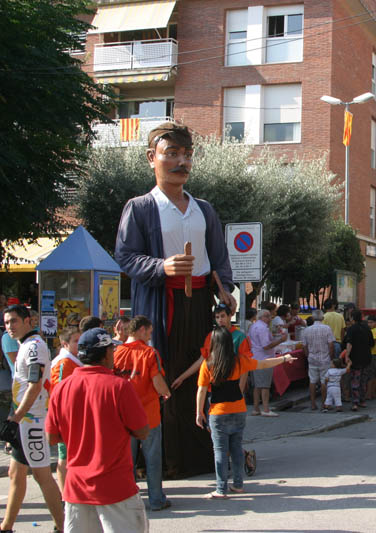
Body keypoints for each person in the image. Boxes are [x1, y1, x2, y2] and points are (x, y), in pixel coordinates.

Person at [115, 122, 235, 478]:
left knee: (201, 376)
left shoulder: (204, 209)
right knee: (159, 379)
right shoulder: (139, 208)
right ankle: (160, 460)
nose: (181, 162)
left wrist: (224, 288)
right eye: (172, 154)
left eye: (187, 155)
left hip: (199, 302)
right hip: (159, 305)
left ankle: (201, 457)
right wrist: (160, 266)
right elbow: (124, 256)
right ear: (152, 158)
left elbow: (218, 259)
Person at [45, 327, 150, 533]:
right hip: (116, 487)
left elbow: (51, 437)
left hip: (77, 488)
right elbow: (142, 431)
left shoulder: (62, 388)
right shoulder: (119, 387)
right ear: (107, 354)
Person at [0, 305, 64, 533]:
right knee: (15, 473)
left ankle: (63, 527)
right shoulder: (26, 345)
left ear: (28, 321)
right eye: (7, 322)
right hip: (25, 419)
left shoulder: (34, 347)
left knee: (42, 476)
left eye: (14, 321)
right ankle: (6, 527)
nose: (9, 326)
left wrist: (15, 418)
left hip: (33, 420)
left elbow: (35, 385)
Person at [196, 327, 293, 499]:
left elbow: (202, 390)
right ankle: (238, 485)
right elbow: (263, 364)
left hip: (218, 411)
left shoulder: (207, 363)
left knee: (220, 451)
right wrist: (284, 358)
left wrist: (199, 412)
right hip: (239, 410)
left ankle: (221, 488)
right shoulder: (239, 361)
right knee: (236, 449)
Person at [113, 316, 172, 512]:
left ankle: (127, 501)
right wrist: (166, 392)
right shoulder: (149, 353)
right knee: (152, 459)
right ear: (141, 330)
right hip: (148, 416)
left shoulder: (115, 353)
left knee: (126, 462)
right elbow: (157, 381)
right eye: (149, 331)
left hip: (122, 417)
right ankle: (156, 499)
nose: (150, 335)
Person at [49, 326, 82, 493]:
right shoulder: (64, 363)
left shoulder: (74, 360)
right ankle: (65, 494)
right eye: (76, 341)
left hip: (75, 418)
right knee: (64, 457)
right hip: (66, 419)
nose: (80, 344)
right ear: (64, 344)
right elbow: (59, 393)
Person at [248, 310, 288, 416]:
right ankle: (265, 409)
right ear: (264, 317)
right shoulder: (262, 328)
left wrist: (275, 334)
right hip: (264, 358)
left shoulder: (254, 326)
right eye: (269, 317)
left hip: (255, 357)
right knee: (265, 385)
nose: (271, 319)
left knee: (257, 385)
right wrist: (281, 340)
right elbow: (266, 346)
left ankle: (256, 408)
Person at [302, 309, 335, 410]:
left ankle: (312, 403)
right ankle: (324, 403)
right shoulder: (327, 328)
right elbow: (331, 345)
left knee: (312, 381)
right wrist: (331, 356)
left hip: (312, 359)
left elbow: (304, 346)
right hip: (324, 358)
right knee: (324, 381)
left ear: (312, 318)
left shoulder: (306, 330)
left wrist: (308, 355)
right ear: (323, 318)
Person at [343, 310, 373, 411]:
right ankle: (362, 400)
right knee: (363, 381)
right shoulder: (367, 328)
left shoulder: (351, 329)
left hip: (355, 359)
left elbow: (349, 343)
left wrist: (347, 356)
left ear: (352, 318)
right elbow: (371, 343)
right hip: (366, 358)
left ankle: (355, 402)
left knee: (355, 380)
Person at [366, 315, 376, 401]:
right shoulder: (371, 330)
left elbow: (373, 341)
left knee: (370, 375)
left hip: (373, 354)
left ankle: (369, 393)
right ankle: (372, 393)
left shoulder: (375, 331)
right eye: (368, 322)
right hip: (373, 354)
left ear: (375, 323)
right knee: (373, 374)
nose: (369, 324)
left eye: (371, 322)